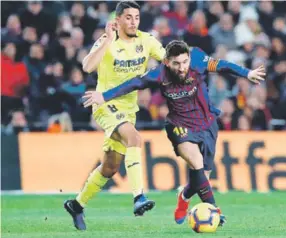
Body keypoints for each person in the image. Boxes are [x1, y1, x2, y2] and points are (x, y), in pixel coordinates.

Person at [82, 40, 266, 226]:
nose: (181, 68)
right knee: (196, 162)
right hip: (179, 125)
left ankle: (184, 197)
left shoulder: (198, 60)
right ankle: (213, 209)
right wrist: (103, 96)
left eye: (184, 62)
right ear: (167, 62)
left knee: (202, 177)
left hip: (207, 123)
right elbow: (134, 83)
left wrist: (247, 73)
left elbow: (222, 65)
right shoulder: (159, 74)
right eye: (176, 63)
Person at [64, 1, 165, 230]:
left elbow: (167, 58)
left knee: (110, 167)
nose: (133, 22)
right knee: (134, 138)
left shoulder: (146, 40)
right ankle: (139, 197)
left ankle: (76, 205)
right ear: (117, 20)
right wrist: (108, 40)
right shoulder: (107, 40)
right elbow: (87, 66)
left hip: (129, 109)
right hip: (104, 104)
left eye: (136, 17)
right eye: (128, 18)